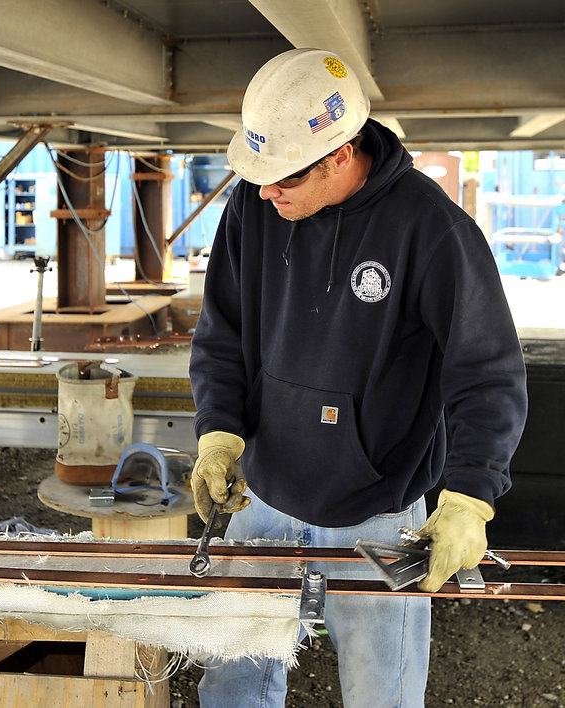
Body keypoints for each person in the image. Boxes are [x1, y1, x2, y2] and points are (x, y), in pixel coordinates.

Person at [188, 48, 528, 708]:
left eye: (282, 175)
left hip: (379, 510)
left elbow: (485, 371)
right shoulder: (254, 211)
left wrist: (470, 497)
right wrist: (218, 435)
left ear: (341, 153)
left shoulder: (431, 230)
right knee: (233, 681)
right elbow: (221, 335)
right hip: (262, 498)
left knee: (385, 690)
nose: (265, 190)